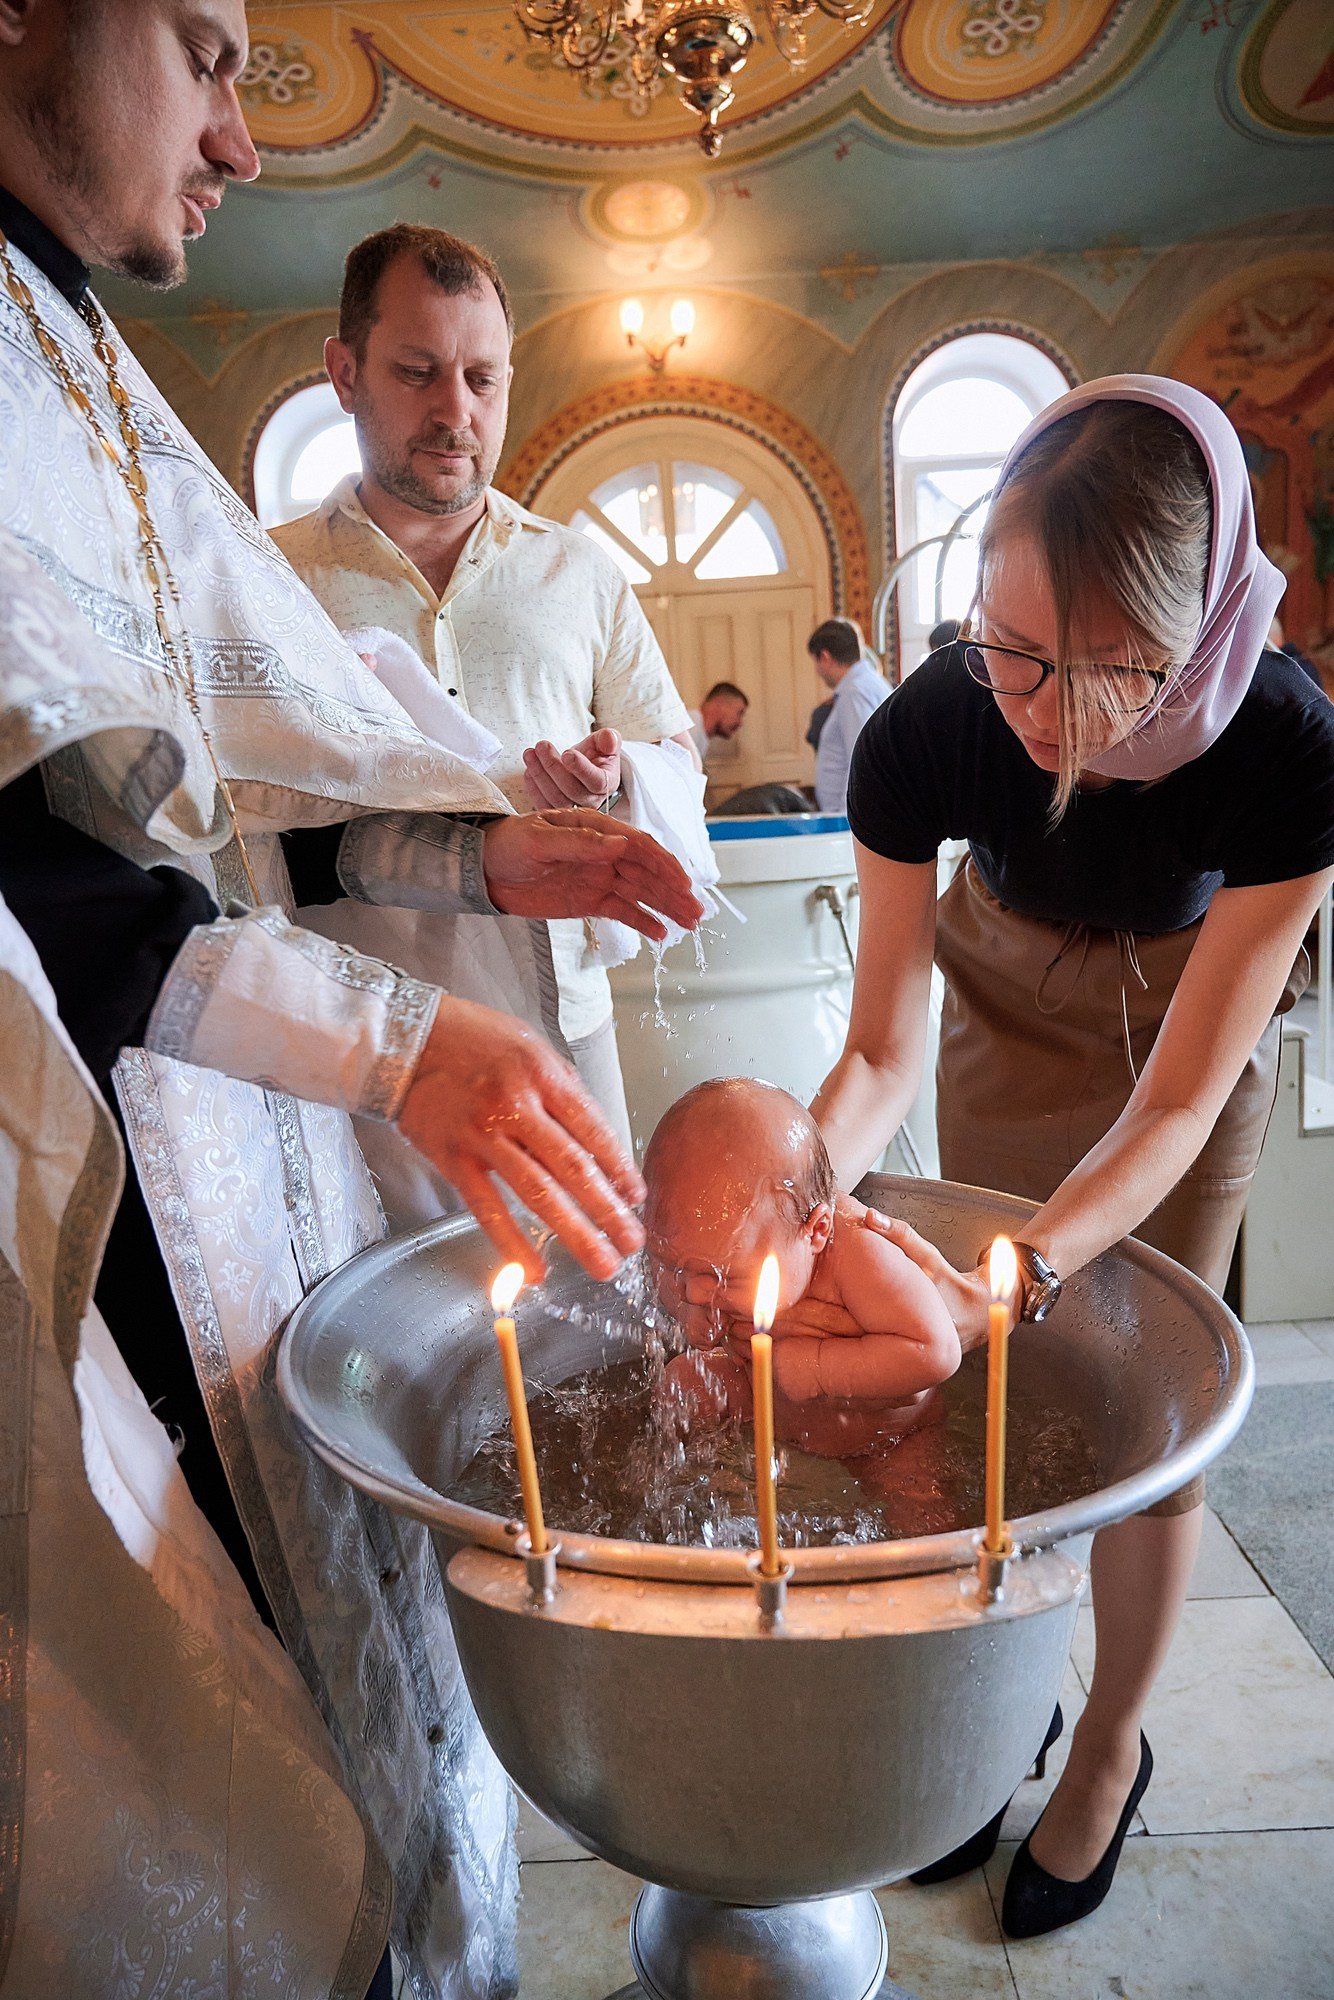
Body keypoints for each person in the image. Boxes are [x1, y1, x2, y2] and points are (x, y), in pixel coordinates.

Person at [0, 7, 701, 1993]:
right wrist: (402, 1039)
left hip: (288, 1144)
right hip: (100, 1193)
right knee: (201, 1788)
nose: (241, 133)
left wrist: (478, 852)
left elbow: (221, 813)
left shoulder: (76, 362)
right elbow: (44, 867)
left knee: (368, 1672)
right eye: (206, 54)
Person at [810, 377, 1334, 1937]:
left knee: (1142, 1389)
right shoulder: (934, 724)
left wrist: (1027, 1263)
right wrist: (794, 1171)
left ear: (1198, 637)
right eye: (1005, 643)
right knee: (1009, 1389)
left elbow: (1173, 1108)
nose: (1032, 707)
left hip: (1187, 1030)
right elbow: (879, 1052)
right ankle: (1015, 1701)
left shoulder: (1289, 740)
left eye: (1100, 670)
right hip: (999, 990)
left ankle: (1108, 1743)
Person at [273, 224, 700, 1157]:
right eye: (417, 372)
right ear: (345, 374)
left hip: (562, 1014)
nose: (455, 412)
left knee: (590, 1280)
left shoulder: (580, 573)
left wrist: (615, 775)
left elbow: (673, 752)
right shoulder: (268, 579)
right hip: (356, 1027)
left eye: (482, 379)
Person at [642, 1079, 960, 1456]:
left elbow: (936, 1351)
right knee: (684, 1385)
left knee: (919, 1501)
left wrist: (818, 1368)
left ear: (816, 1231)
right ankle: (720, 1483)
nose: (695, 1292)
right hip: (765, 1399)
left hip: (884, 1435)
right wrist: (693, 1316)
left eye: (724, 1275)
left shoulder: (859, 1255)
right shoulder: (728, 1253)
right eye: (673, 1267)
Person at [807, 618, 889, 813]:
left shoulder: (854, 692)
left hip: (849, 819)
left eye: (816, 662)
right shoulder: (868, 683)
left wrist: (851, 818)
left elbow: (861, 761)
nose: (817, 671)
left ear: (825, 657)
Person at [687, 679, 750, 759]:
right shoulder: (688, 729)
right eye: (739, 713)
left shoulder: (698, 734)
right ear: (720, 705)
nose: (740, 723)